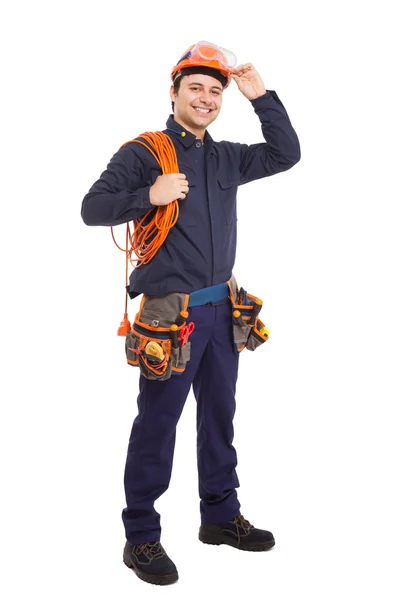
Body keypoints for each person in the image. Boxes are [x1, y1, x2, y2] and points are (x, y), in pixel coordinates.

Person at [81, 40, 301, 586]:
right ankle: (142, 538)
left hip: (225, 311)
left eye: (214, 91)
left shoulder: (226, 155)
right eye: (195, 88)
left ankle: (221, 518)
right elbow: (92, 208)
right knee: (157, 424)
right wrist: (148, 195)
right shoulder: (144, 153)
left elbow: (285, 153)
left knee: (219, 417)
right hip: (170, 317)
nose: (205, 99)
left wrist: (261, 96)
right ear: (174, 91)